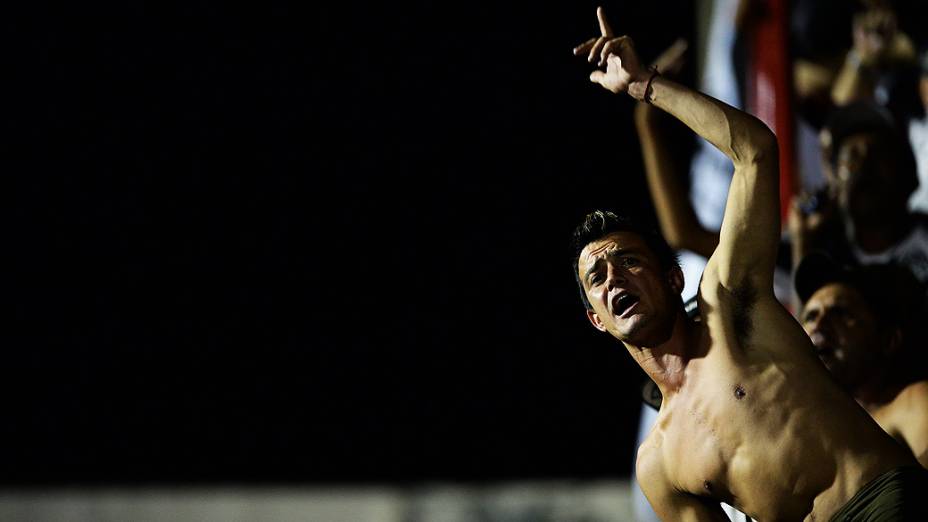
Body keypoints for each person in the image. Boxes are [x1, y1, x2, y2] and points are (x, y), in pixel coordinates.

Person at [571, 8, 928, 520]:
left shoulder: (732, 307)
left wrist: (645, 86)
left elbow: (756, 151)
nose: (615, 278)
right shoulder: (658, 465)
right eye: (597, 278)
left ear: (675, 278)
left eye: (628, 261)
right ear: (596, 319)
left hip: (879, 502)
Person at [796, 254, 928, 467]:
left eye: (840, 313)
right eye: (810, 316)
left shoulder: (914, 402)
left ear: (888, 340)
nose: (819, 325)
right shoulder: (804, 430)